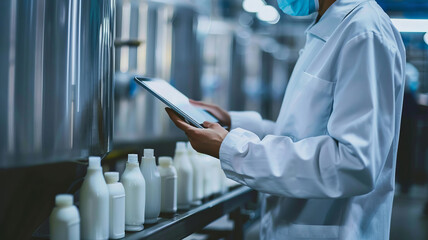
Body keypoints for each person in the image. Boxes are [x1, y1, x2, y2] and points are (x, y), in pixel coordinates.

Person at [166, 0, 406, 239]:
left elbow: (353, 163)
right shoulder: (330, 27)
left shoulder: (365, 32)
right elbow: (306, 134)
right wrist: (233, 125)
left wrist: (234, 149)